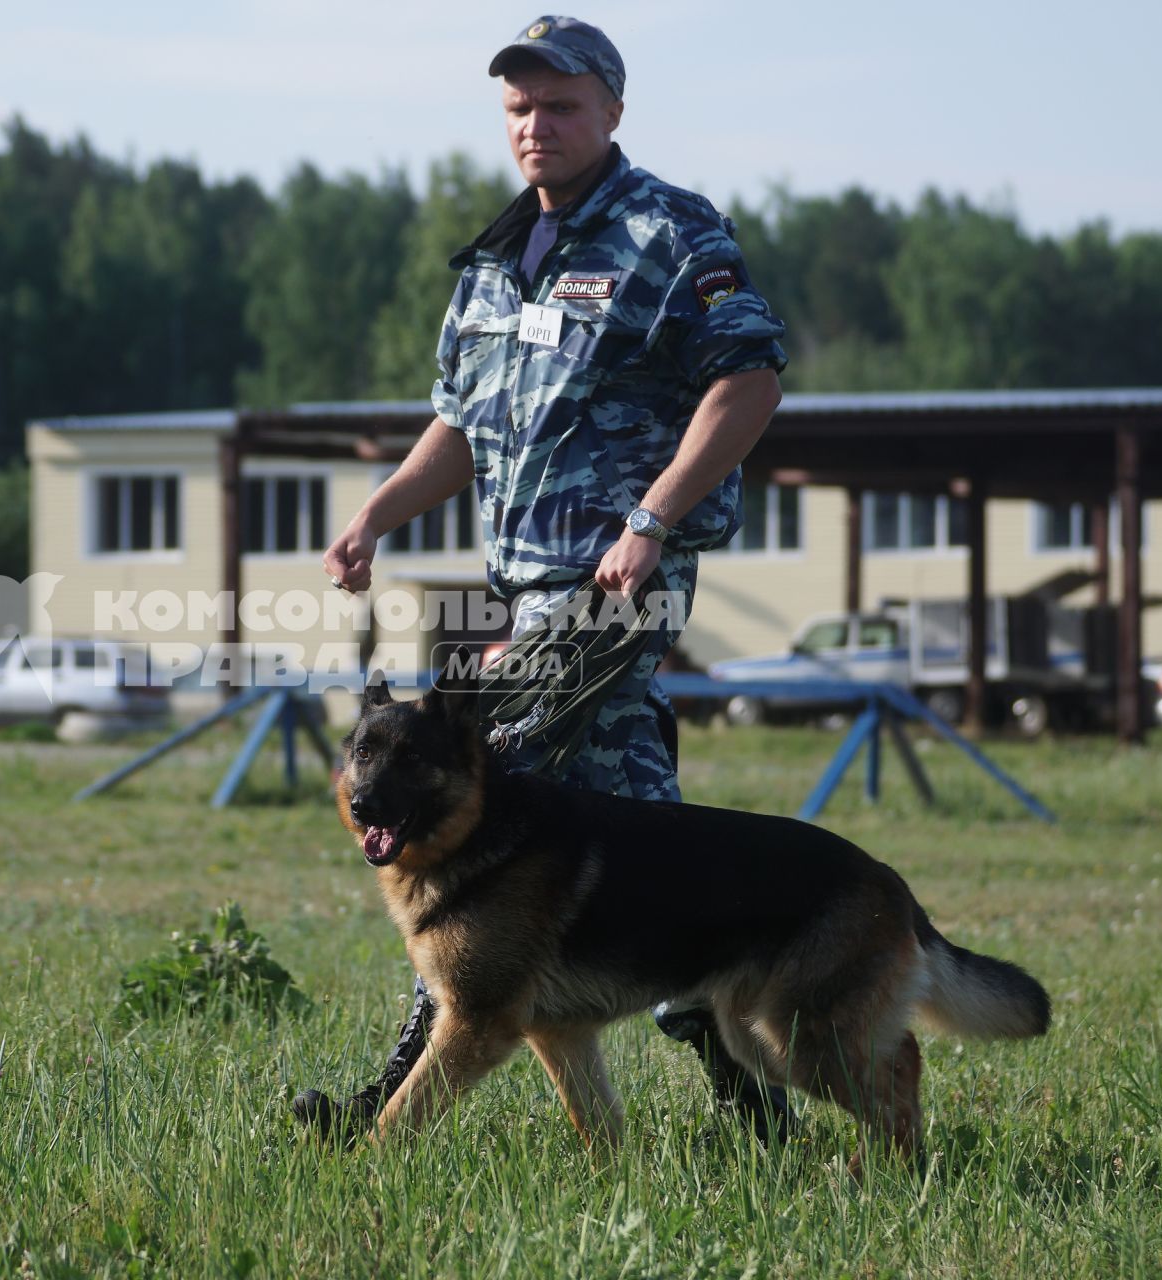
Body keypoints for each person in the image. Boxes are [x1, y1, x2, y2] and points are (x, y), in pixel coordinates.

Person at [295, 15, 793, 1146]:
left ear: (610, 110)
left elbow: (749, 381)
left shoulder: (669, 231)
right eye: (518, 107)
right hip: (514, 589)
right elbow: (462, 425)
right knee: (623, 853)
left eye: (560, 105)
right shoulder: (491, 261)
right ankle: (757, 1114)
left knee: (490, 828)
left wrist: (651, 517)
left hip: (616, 586)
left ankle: (394, 1102)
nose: (536, 126)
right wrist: (377, 510)